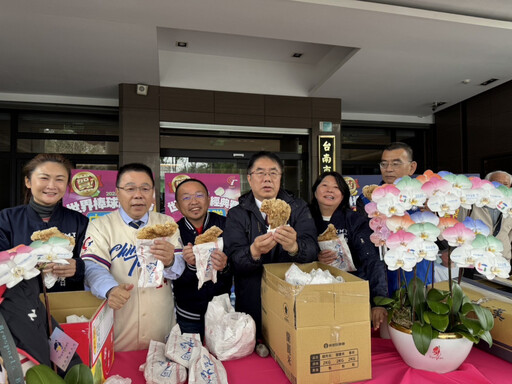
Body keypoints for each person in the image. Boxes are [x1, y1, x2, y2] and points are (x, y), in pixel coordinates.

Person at [81, 163, 185, 351]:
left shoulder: (166, 223)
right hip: (119, 321)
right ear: (118, 193)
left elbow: (178, 269)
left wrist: (170, 261)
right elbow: (92, 266)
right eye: (130, 189)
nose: (138, 195)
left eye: (145, 188)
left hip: (160, 320)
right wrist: (110, 289)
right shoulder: (101, 225)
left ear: (153, 192)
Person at [0, 153, 86, 377]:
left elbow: (90, 261)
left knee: (69, 369)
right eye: (44, 178)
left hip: (67, 308)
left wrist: (77, 267)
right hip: (20, 315)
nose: (51, 185)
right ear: (28, 182)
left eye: (60, 179)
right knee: (34, 371)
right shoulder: (6, 219)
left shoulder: (79, 221)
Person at [224, 151, 319, 354]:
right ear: (249, 178)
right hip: (251, 302)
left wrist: (295, 247)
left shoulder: (298, 207)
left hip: (293, 302)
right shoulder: (237, 214)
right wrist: (254, 252)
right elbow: (233, 261)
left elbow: (312, 250)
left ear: (280, 177)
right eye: (260, 172)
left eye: (273, 173)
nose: (267, 178)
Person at [310, 172, 388, 330]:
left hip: (351, 292)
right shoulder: (305, 218)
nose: (330, 190)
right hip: (314, 295)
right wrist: (315, 258)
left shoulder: (355, 220)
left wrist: (378, 301)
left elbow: (371, 259)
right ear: (315, 190)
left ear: (343, 195)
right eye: (324, 185)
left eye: (336, 187)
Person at [355, 142, 432, 293]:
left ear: (412, 167)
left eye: (396, 164)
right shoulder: (366, 199)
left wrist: (431, 213)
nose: (388, 169)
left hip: (417, 276)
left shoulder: (426, 196)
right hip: (381, 278)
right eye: (384, 164)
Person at [173, 178, 232, 339]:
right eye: (186, 198)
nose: (193, 202)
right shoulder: (174, 233)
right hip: (188, 315)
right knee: (191, 359)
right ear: (177, 205)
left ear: (209, 199)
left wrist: (225, 267)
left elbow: (239, 264)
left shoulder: (226, 226)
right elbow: (173, 277)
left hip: (221, 312)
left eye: (199, 195)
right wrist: (191, 266)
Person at [470, 171, 512, 261]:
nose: (501, 187)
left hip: (501, 261)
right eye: (496, 183)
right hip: (475, 259)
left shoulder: (510, 208)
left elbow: (510, 237)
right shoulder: (472, 204)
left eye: (505, 184)